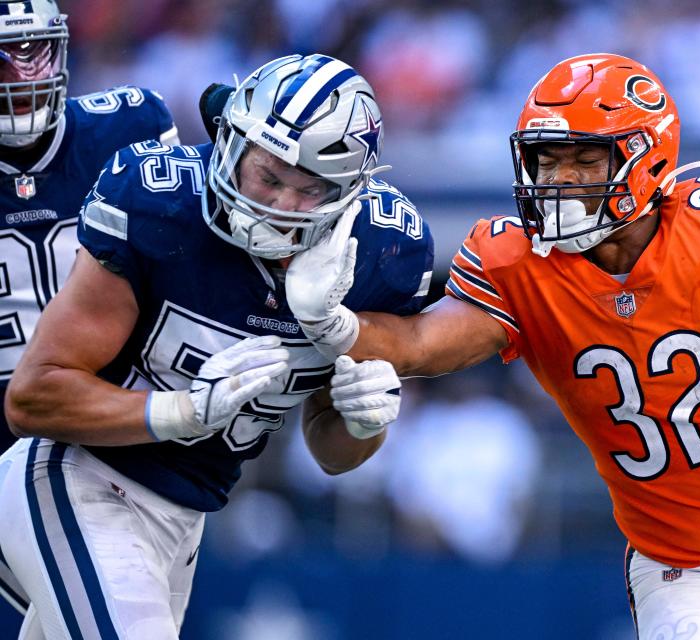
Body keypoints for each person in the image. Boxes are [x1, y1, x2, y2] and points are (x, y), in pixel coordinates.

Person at [289, 53, 700, 638]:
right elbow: (420, 342)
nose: (559, 179)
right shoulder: (520, 265)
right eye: (546, 160)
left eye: (584, 159)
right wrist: (333, 322)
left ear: (646, 159)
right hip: (686, 575)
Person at [1, 53, 433, 639]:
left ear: (351, 190)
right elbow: (33, 398)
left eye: (310, 189)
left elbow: (333, 454)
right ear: (231, 144)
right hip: (80, 477)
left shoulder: (379, 252)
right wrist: (182, 411)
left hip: (189, 513)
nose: (281, 205)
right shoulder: (162, 204)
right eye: (269, 175)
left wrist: (364, 423)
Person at [0, 0, 179, 619]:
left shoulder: (126, 128)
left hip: (108, 421)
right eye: (3, 58)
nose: (21, 76)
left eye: (34, 52)